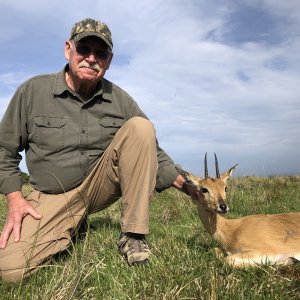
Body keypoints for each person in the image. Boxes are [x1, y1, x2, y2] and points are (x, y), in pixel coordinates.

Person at [0, 18, 196, 282]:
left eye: (100, 53)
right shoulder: (32, 91)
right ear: (68, 49)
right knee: (10, 271)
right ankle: (71, 227)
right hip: (52, 195)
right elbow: (4, 150)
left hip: (99, 187)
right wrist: (14, 198)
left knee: (141, 127)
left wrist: (191, 187)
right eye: (84, 49)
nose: (91, 58)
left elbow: (151, 151)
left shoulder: (121, 100)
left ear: (109, 60)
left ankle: (133, 235)